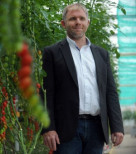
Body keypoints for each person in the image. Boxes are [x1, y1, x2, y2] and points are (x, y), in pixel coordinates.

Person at [40, 3, 124, 154]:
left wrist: (117, 127)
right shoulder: (52, 53)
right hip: (65, 129)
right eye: (72, 18)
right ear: (63, 24)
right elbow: (46, 94)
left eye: (81, 18)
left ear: (87, 23)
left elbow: (110, 92)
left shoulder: (102, 54)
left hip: (97, 129)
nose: (78, 22)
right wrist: (48, 128)